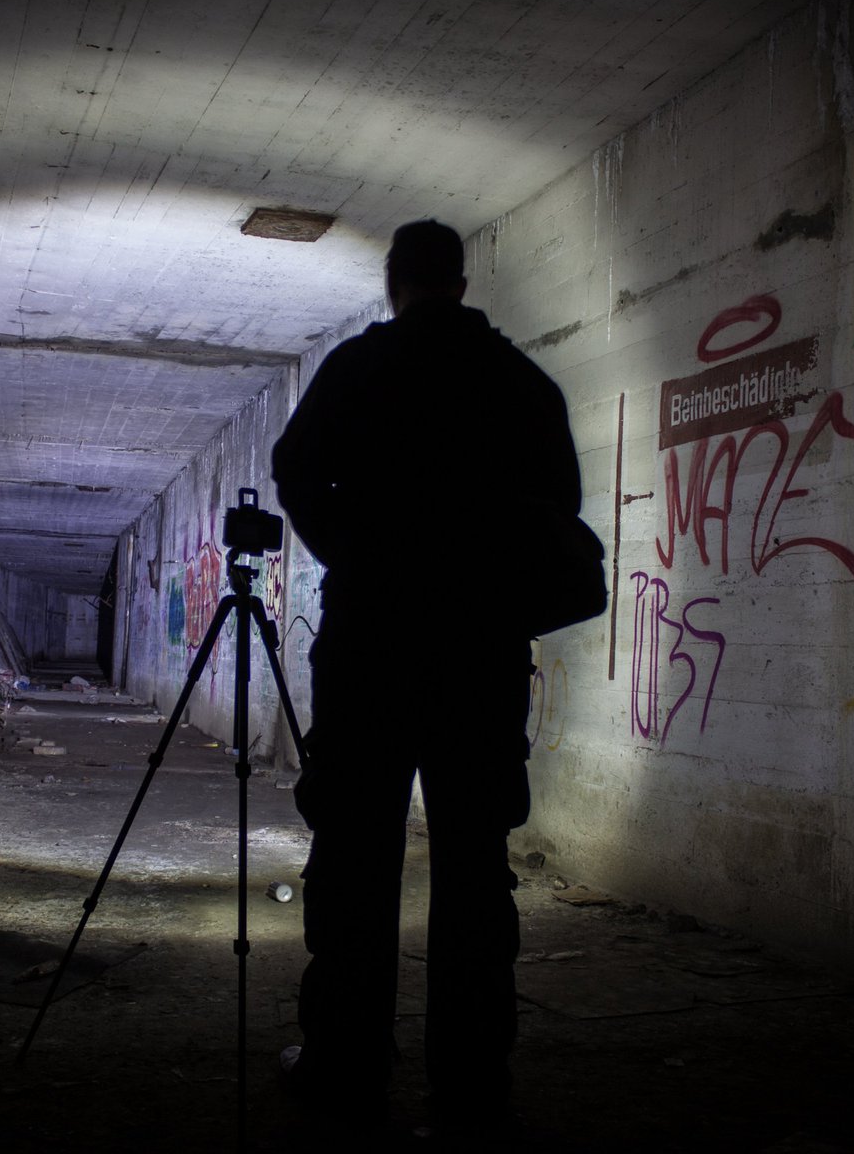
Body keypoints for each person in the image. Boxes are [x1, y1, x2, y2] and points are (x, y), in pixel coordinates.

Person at [270, 220, 582, 1130]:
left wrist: (351, 554)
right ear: (460, 279)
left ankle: (345, 1061)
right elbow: (556, 514)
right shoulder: (522, 385)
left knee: (358, 859)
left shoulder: (357, 371)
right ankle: (472, 1076)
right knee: (476, 870)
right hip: (478, 658)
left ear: (394, 280)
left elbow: (294, 473)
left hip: (371, 649)